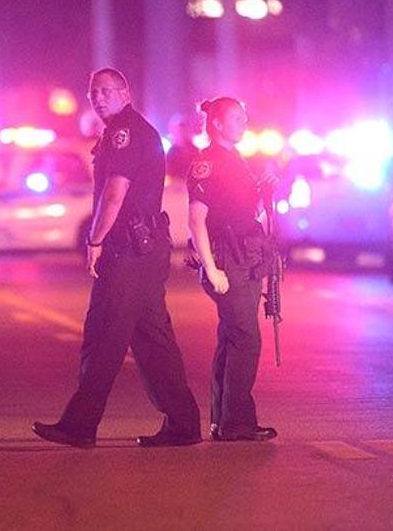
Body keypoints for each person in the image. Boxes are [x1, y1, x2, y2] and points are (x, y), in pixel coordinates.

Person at [32, 67, 201, 449]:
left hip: (127, 250)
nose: (99, 97)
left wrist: (95, 240)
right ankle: (184, 423)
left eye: (107, 90)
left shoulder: (125, 134)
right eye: (94, 91)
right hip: (144, 251)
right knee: (152, 340)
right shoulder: (125, 131)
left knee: (103, 335)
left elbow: (115, 193)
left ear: (126, 93)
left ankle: (80, 425)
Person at [187, 96, 277, 442]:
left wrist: (264, 188)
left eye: (244, 116)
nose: (244, 122)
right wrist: (212, 270)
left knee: (231, 339)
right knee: (245, 339)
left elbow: (245, 209)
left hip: (245, 257)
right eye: (236, 118)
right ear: (217, 125)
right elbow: (197, 220)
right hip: (228, 260)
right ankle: (236, 423)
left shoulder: (236, 160)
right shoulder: (207, 162)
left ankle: (224, 420)